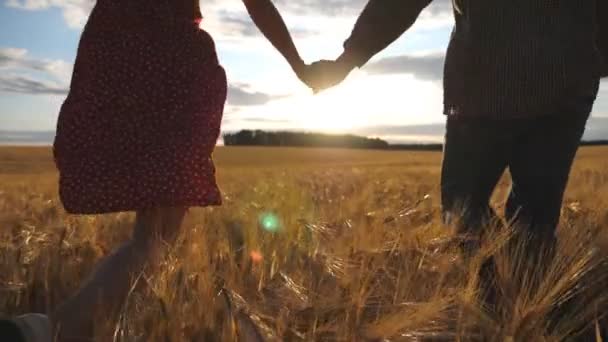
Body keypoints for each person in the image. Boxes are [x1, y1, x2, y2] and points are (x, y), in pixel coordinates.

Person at [1, 0, 311, 341]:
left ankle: (49, 329)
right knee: (157, 233)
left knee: (153, 234)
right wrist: (299, 65)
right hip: (168, 54)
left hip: (111, 45)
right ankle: (44, 332)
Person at [305, 0, 604, 303]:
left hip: (555, 87)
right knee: (466, 210)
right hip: (488, 87)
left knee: (526, 219)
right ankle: (506, 303)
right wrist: (348, 58)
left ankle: (513, 310)